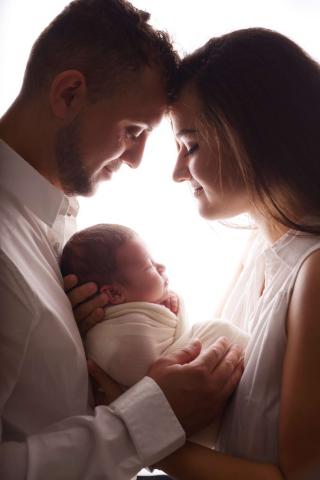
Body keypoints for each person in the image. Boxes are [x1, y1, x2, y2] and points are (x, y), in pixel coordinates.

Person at [0, 1, 244, 479]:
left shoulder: (57, 227)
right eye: (133, 131)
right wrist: (147, 418)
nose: (136, 159)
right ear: (69, 94)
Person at [148, 28, 320, 480]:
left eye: (190, 145)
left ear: (252, 133)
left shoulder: (315, 271)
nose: (177, 172)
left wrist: (140, 432)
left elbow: (299, 477)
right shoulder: (261, 246)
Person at [60, 223, 249, 447]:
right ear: (113, 293)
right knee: (215, 331)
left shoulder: (133, 313)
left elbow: (176, 337)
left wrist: (171, 308)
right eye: (149, 267)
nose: (161, 266)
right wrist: (175, 315)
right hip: (187, 410)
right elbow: (158, 369)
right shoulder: (115, 338)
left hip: (173, 417)